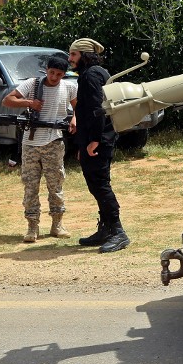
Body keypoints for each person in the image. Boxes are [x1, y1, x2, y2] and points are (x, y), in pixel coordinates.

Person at [2, 55, 77, 243]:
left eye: (59, 74)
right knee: (30, 186)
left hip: (54, 142)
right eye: (52, 72)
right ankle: (32, 226)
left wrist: (75, 119)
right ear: (46, 70)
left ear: (64, 74)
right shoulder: (32, 84)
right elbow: (8, 100)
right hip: (31, 143)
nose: (54, 77)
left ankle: (57, 224)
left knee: (56, 185)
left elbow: (79, 107)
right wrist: (29, 103)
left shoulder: (69, 87)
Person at [68, 37, 129, 253]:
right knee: (96, 184)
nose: (70, 59)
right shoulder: (97, 72)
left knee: (100, 185)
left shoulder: (91, 75)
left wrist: (93, 140)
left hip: (99, 139)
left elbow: (97, 109)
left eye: (73, 54)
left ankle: (118, 232)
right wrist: (83, 143)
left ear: (84, 55)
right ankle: (106, 229)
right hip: (97, 138)